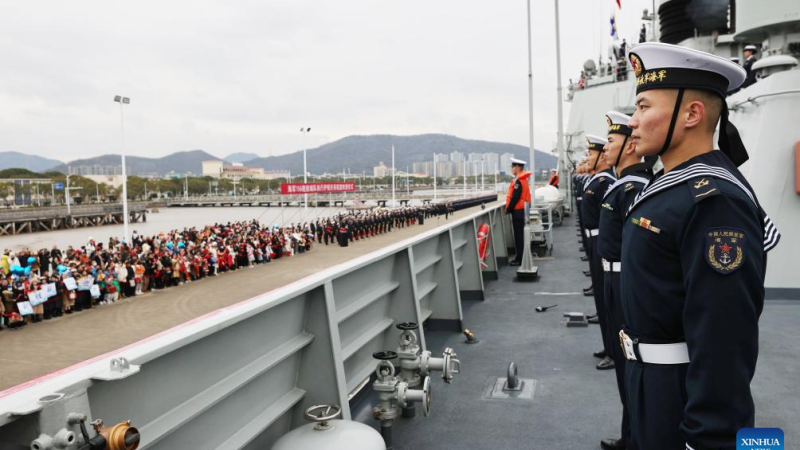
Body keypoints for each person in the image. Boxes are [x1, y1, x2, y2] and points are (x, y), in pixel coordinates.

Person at [621, 42, 780, 449]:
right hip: (650, 382)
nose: (633, 122)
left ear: (692, 114)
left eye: (643, 107)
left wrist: (710, 437)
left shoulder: (714, 200)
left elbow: (724, 336)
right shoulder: (673, 187)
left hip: (678, 394)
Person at [596, 110, 652, 450]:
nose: (604, 150)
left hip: (625, 282)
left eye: (611, 142)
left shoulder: (634, 187)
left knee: (630, 364)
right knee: (624, 366)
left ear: (630, 146)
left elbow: (639, 249)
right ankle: (630, 435)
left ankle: (635, 438)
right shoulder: (623, 184)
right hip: (613, 278)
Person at [580, 135, 616, 370]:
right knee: (602, 299)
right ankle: (608, 346)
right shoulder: (598, 180)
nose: (588, 157)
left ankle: (613, 351)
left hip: (601, 242)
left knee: (608, 301)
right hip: (594, 241)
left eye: (592, 153)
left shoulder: (605, 182)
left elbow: (609, 221)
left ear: (603, 156)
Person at [504, 158, 531, 266]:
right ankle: (520, 257)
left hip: (518, 212)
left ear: (517, 167)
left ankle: (520, 259)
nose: (511, 169)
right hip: (522, 211)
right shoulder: (522, 179)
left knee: (519, 237)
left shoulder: (519, 181)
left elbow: (515, 197)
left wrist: (508, 209)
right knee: (520, 236)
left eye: (512, 167)